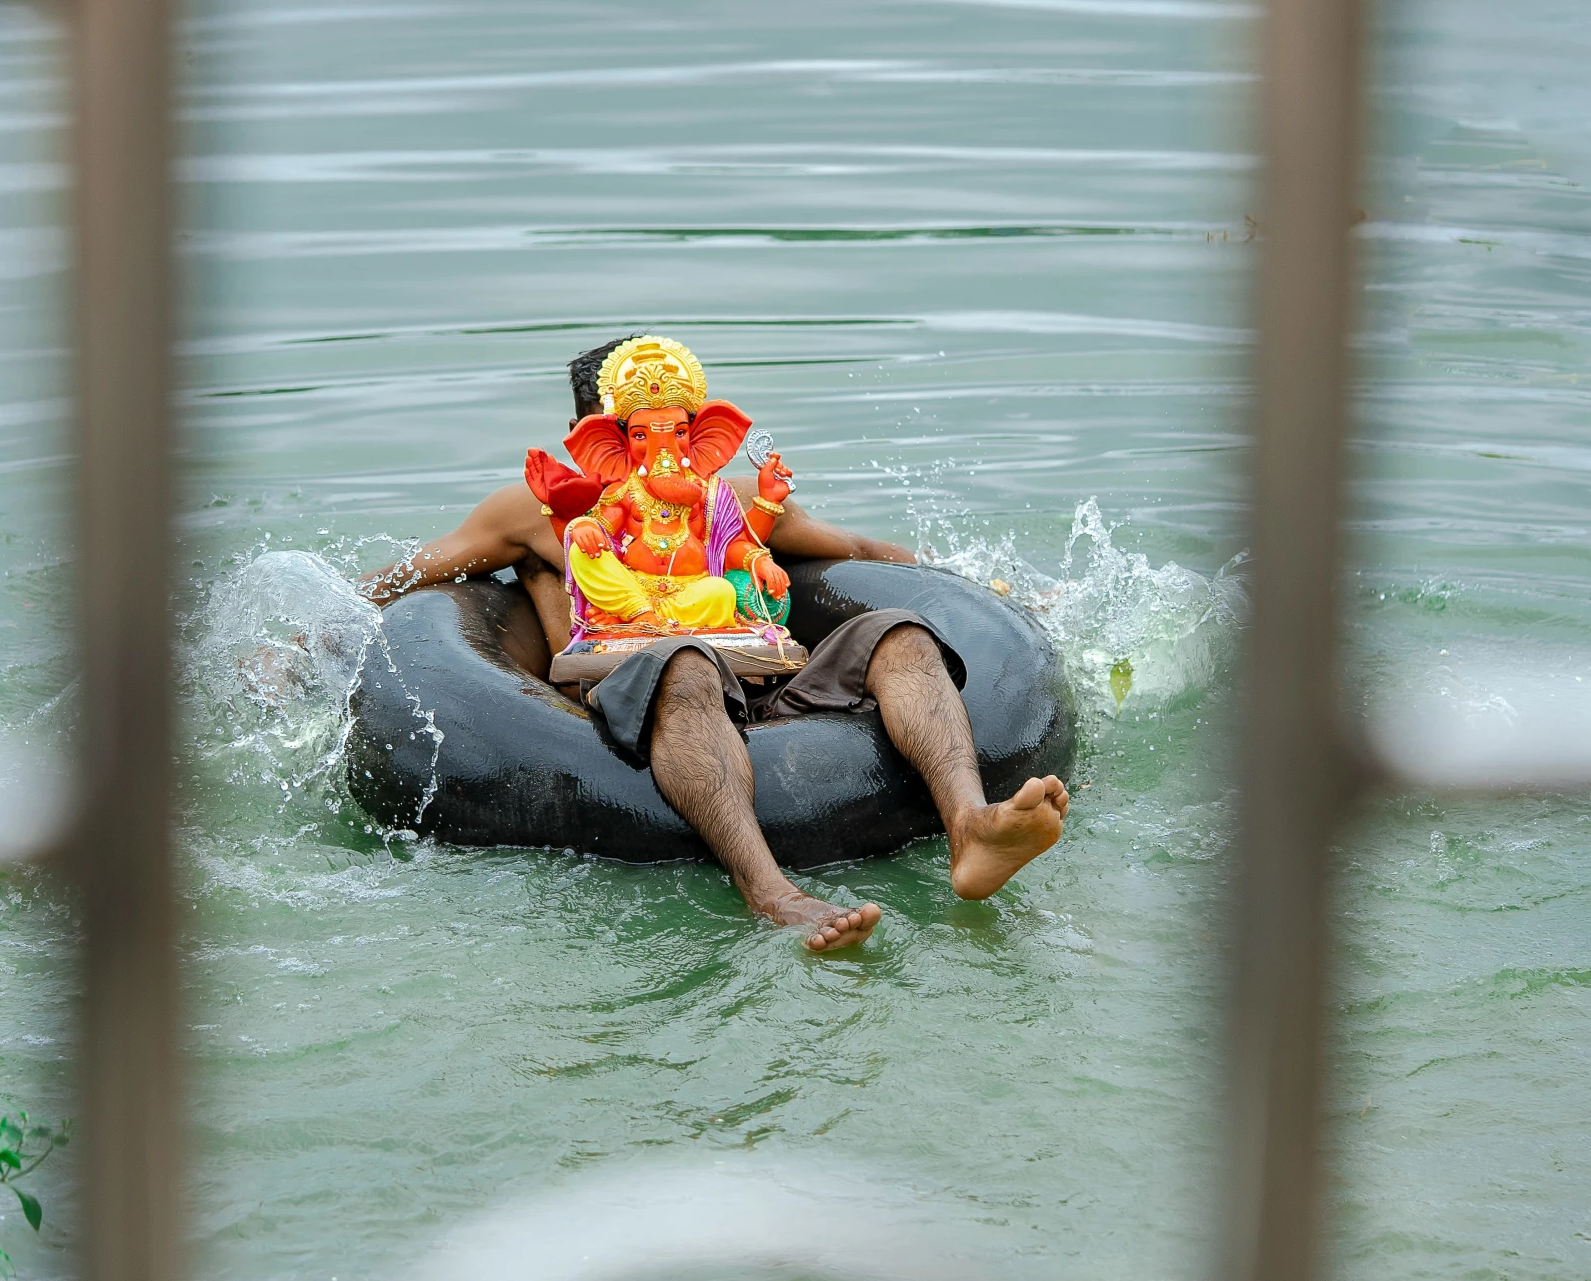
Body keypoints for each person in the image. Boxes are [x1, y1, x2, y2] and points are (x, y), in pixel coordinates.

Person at [361, 335, 1066, 950]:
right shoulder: (541, 513)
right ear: (592, 434)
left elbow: (855, 546)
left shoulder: (724, 502)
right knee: (686, 665)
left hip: (763, 681)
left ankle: (971, 826)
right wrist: (308, 636)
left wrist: (999, 596)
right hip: (645, 694)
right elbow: (407, 575)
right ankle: (772, 892)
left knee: (901, 635)